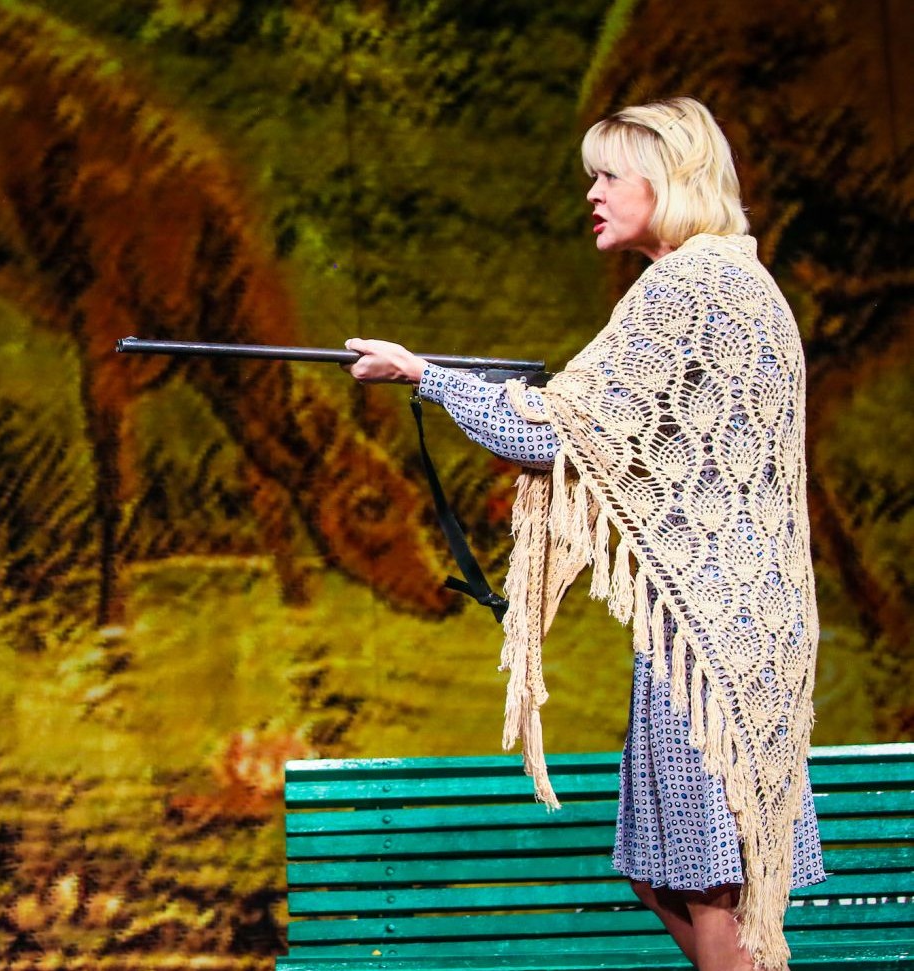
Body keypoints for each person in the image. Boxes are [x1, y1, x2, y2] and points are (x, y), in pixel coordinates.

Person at [343, 97, 822, 971]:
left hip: (710, 639)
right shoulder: (741, 281)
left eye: (608, 176)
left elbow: (554, 435)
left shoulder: (686, 287)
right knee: (664, 871)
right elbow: (646, 444)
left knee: (713, 889)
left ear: (668, 178)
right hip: (734, 625)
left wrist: (425, 375)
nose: (592, 195)